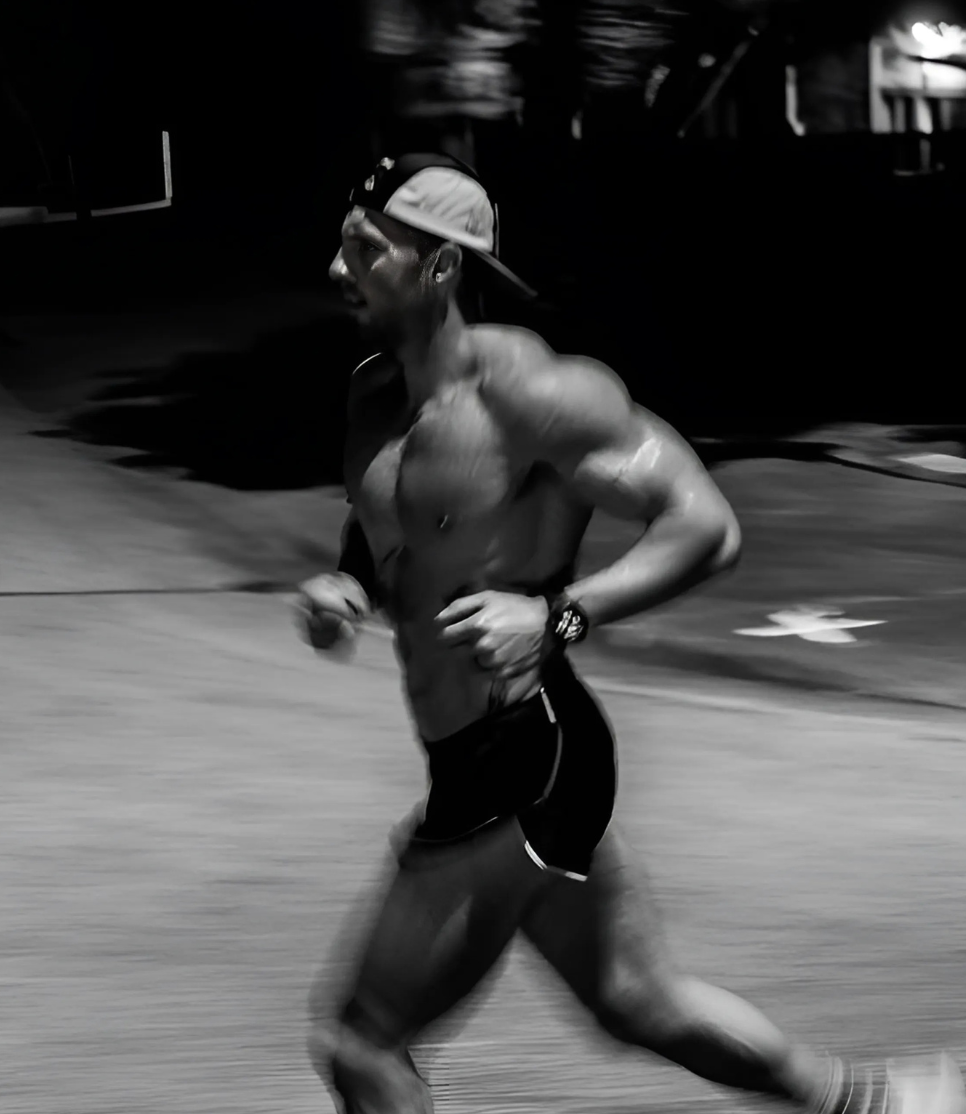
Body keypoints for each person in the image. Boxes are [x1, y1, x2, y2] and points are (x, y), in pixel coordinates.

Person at [295, 151, 965, 1114]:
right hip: (469, 757)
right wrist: (346, 588)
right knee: (636, 1001)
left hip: (527, 753)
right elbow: (387, 528)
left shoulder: (533, 394)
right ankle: (887, 1102)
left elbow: (706, 525)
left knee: (360, 1041)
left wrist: (557, 615)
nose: (336, 269)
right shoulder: (371, 398)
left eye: (365, 251)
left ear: (440, 267)